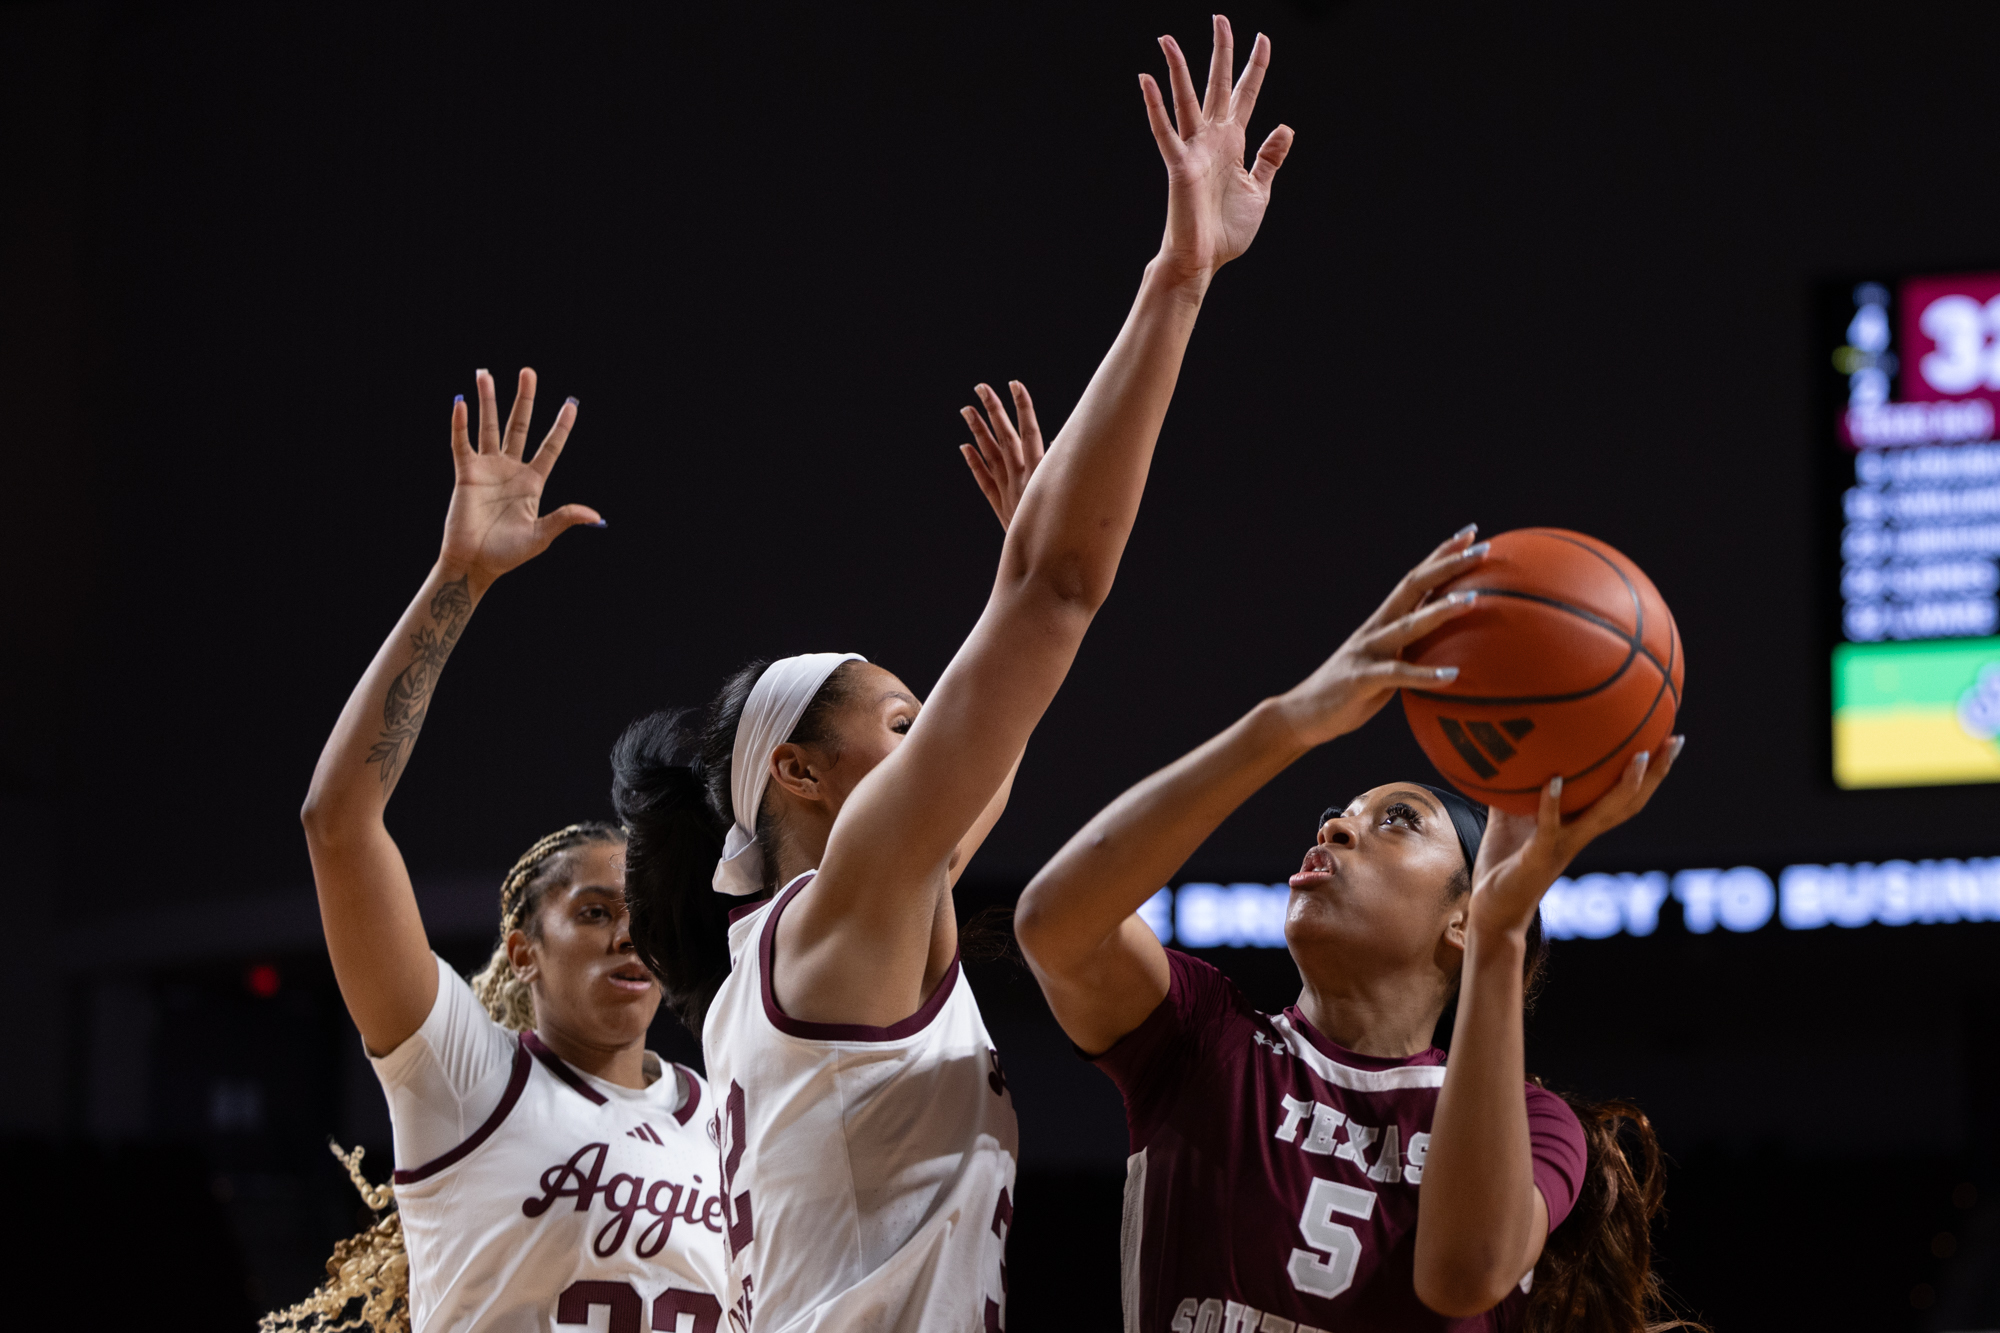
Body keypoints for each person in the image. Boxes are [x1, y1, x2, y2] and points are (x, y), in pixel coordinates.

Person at [612, 17, 1294, 1331]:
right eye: (904, 717)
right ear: (801, 772)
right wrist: (1180, 275)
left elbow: (1019, 682)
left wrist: (1028, 572)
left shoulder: (799, 944)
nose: (936, 740)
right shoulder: (844, 909)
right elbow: (1060, 604)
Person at [1013, 527, 1694, 1333]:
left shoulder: (1535, 1124)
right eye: (1336, 815)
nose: (1334, 828)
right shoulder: (1209, 1042)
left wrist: (1504, 931)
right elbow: (1055, 922)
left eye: (1397, 820)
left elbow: (1463, 1273)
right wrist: (1291, 721)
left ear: (1461, 921)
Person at [289, 370, 726, 1332]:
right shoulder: (465, 1078)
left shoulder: (731, 1113)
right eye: (596, 911)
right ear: (524, 946)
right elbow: (340, 822)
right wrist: (461, 581)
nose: (630, 935)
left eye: (641, 913)